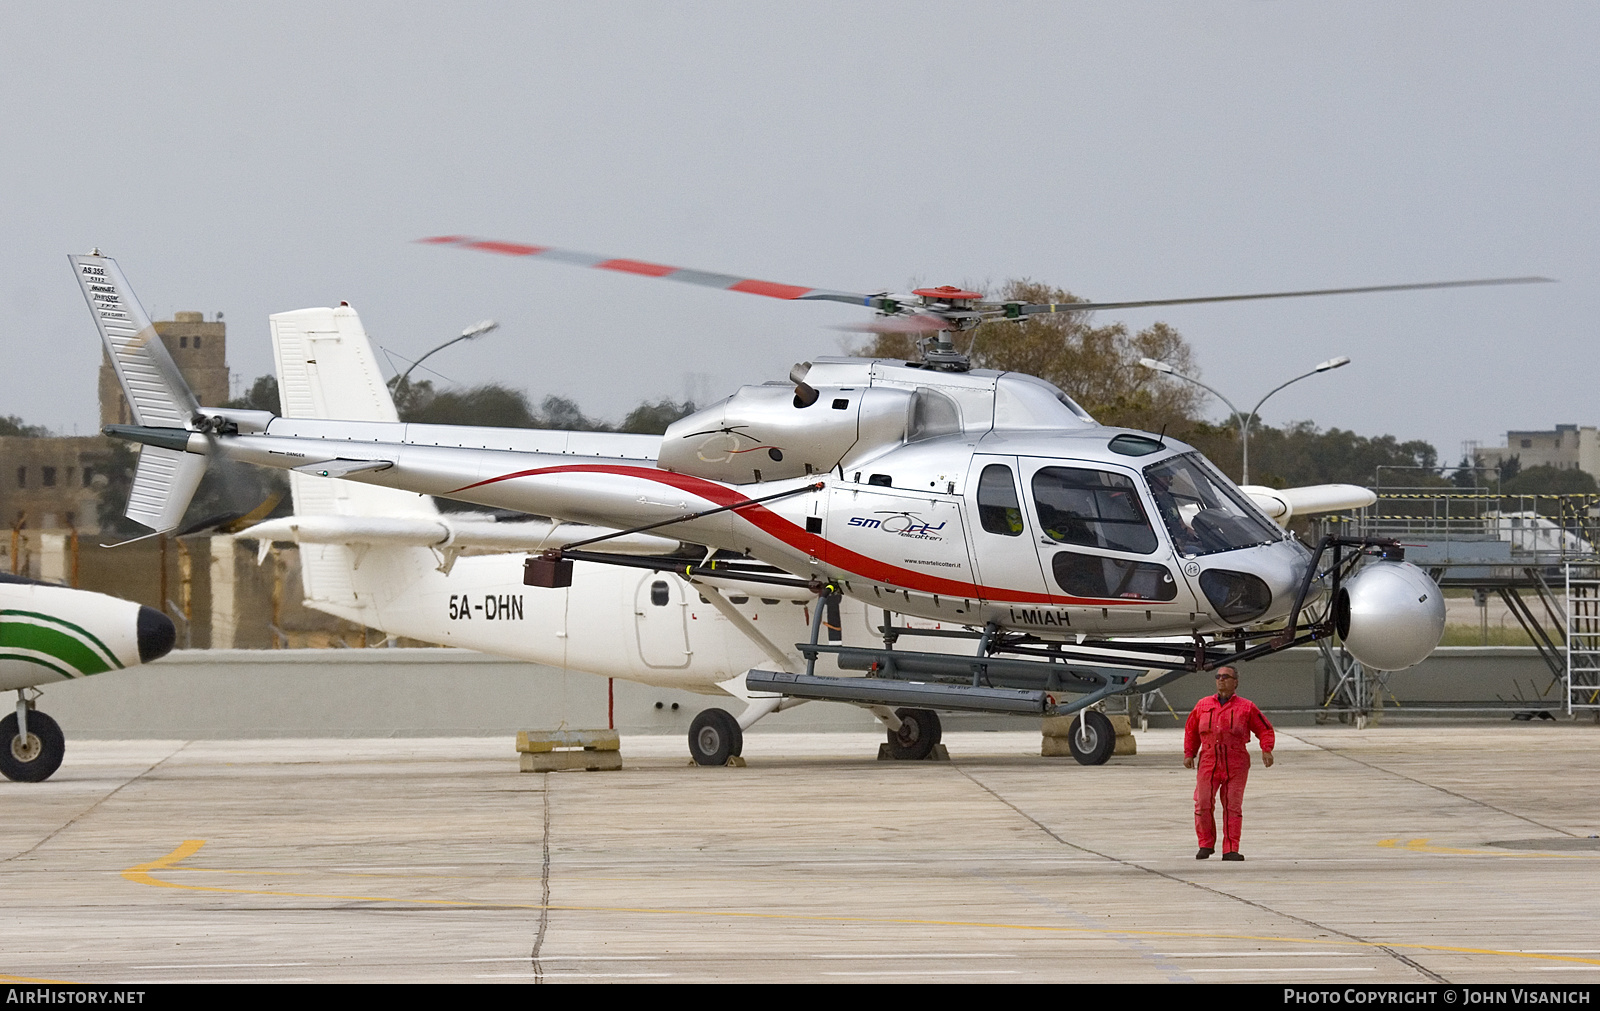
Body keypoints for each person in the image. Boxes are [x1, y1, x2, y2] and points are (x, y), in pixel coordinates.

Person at [1183, 666, 1274, 861]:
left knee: (1233, 806)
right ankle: (1205, 844)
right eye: (1218, 677)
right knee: (1203, 803)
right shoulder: (1202, 705)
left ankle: (1231, 848)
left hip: (1236, 760)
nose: (1221, 680)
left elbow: (1265, 729)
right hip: (1209, 759)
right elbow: (1191, 730)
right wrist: (1189, 754)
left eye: (1226, 677)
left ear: (1236, 682)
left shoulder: (1247, 707)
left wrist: (1266, 749)